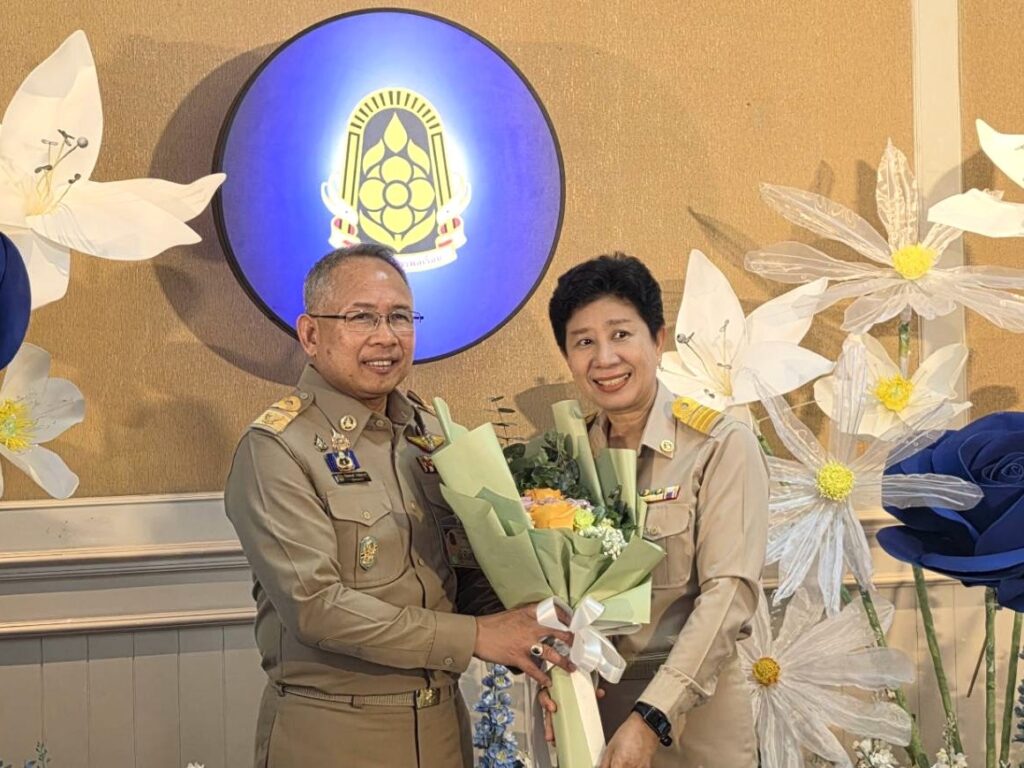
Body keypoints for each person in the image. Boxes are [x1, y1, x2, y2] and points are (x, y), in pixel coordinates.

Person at [225, 243, 573, 768]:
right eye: (362, 317)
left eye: (400, 317)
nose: (386, 337)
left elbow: (468, 572)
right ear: (311, 334)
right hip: (334, 734)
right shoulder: (277, 448)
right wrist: (478, 636)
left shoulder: (429, 436)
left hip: (443, 728)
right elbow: (316, 607)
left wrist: (542, 645)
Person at [543, 253, 769, 768]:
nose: (604, 358)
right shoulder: (566, 461)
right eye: (584, 342)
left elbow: (729, 595)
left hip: (693, 720)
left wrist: (653, 717)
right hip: (595, 716)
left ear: (657, 339)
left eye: (621, 334)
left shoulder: (719, 444)